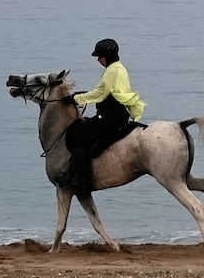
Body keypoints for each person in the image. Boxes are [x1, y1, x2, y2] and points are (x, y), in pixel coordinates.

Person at [61, 38, 147, 192]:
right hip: (118, 114)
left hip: (110, 116)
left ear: (107, 56)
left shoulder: (112, 71)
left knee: (80, 136)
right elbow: (105, 92)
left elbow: (100, 93)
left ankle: (77, 176)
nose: (98, 60)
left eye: (99, 57)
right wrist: (83, 94)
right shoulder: (119, 68)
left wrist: (75, 98)